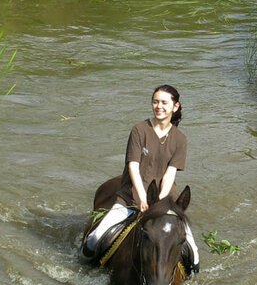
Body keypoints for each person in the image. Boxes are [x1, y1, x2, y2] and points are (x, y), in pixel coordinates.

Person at [83, 85, 201, 275]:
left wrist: (159, 202)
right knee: (94, 239)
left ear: (175, 106)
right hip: (131, 196)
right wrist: (143, 199)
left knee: (193, 255)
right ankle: (88, 275)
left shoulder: (180, 139)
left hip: (164, 199)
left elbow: (170, 173)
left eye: (164, 102)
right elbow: (133, 167)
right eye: (155, 102)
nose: (158, 106)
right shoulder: (139, 130)